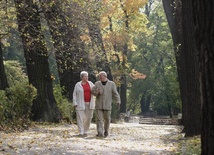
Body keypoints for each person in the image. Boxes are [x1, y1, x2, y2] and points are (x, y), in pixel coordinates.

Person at [92, 71, 121, 137]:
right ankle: (99, 132)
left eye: (100, 76)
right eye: (99, 76)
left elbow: (115, 93)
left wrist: (118, 101)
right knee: (99, 119)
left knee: (107, 118)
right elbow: (92, 91)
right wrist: (97, 93)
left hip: (107, 104)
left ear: (105, 76)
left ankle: (106, 130)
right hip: (99, 104)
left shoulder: (112, 84)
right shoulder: (97, 84)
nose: (99, 77)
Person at [73, 71, 95, 137]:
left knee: (88, 118)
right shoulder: (78, 84)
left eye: (87, 76)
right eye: (85, 76)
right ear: (82, 77)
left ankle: (85, 130)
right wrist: (75, 103)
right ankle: (81, 132)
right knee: (80, 118)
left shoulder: (91, 84)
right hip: (80, 103)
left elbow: (95, 91)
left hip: (90, 103)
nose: (87, 77)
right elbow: (74, 94)